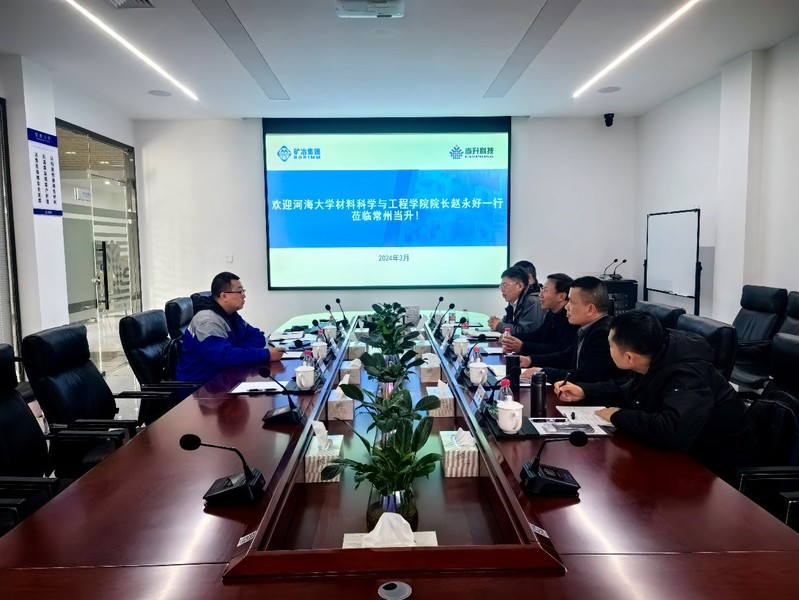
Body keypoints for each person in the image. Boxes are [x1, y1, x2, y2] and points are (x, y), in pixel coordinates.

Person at [555, 311, 758, 481]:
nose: (609, 350)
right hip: (685, 455)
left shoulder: (687, 375)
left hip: (716, 469)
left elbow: (672, 431)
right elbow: (627, 387)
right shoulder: (657, 351)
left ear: (629, 357)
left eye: (610, 346)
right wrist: (585, 390)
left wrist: (618, 416)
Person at [176, 272, 284, 383]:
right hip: (201, 386)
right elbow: (223, 357)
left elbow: (257, 336)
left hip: (224, 377)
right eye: (239, 291)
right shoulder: (207, 321)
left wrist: (236, 352)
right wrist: (265, 354)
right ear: (224, 296)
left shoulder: (230, 315)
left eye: (243, 291)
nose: (244, 295)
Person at [520, 276, 622, 383]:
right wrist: (530, 360)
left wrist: (543, 372)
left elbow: (585, 376)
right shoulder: (587, 328)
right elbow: (566, 356)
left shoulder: (603, 334)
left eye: (571, 302)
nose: (566, 307)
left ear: (590, 309)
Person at [500, 273, 578, 356]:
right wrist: (511, 337)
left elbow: (558, 350)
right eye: (542, 289)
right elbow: (538, 335)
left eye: (545, 291)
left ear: (561, 296)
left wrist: (523, 347)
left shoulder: (571, 318)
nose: (540, 295)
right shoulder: (552, 313)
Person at [487, 265, 545, 336]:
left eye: (505, 285)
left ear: (520, 286)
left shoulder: (532, 301)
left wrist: (499, 325)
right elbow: (511, 322)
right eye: (501, 286)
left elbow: (526, 332)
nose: (502, 290)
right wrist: (497, 321)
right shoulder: (514, 301)